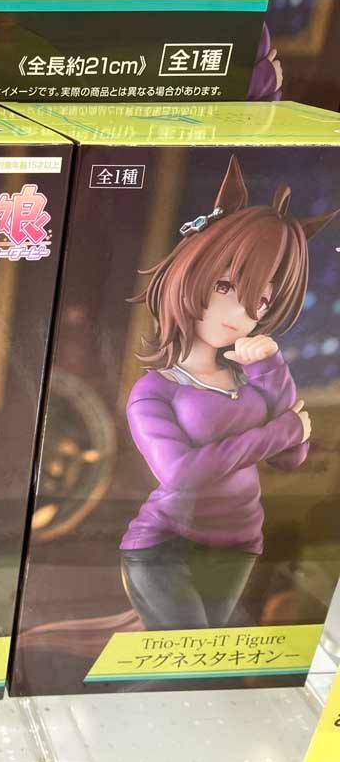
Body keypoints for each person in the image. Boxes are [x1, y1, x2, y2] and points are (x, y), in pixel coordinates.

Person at [120, 154, 338, 630]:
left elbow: (293, 456)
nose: (242, 314)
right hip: (165, 544)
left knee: (203, 661)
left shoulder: (248, 375)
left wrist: (270, 364)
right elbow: (181, 474)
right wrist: (279, 431)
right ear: (191, 274)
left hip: (240, 545)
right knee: (187, 657)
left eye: (259, 300)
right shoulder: (155, 390)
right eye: (226, 286)